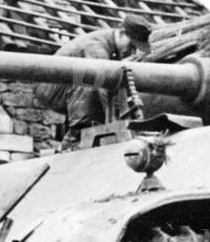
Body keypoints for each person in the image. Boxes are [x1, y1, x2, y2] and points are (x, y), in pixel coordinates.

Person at [33, 14, 152, 149]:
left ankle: (82, 131)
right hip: (50, 88)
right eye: (132, 44)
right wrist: (114, 123)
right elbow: (100, 88)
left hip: (67, 85)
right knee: (90, 80)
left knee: (95, 82)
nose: (133, 50)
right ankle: (75, 136)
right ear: (122, 33)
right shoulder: (97, 48)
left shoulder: (111, 46)